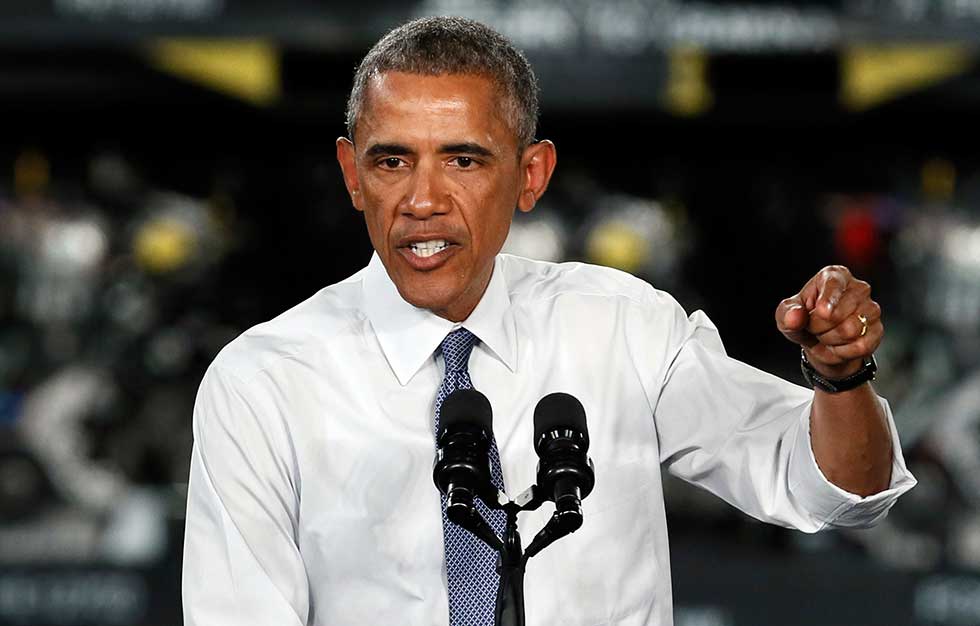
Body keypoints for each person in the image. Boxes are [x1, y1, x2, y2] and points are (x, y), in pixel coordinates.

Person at [181, 16, 916, 626]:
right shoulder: (264, 382)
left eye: (464, 161)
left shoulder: (624, 329)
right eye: (393, 162)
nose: (423, 199)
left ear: (531, 174)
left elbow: (835, 490)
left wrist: (841, 377)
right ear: (351, 174)